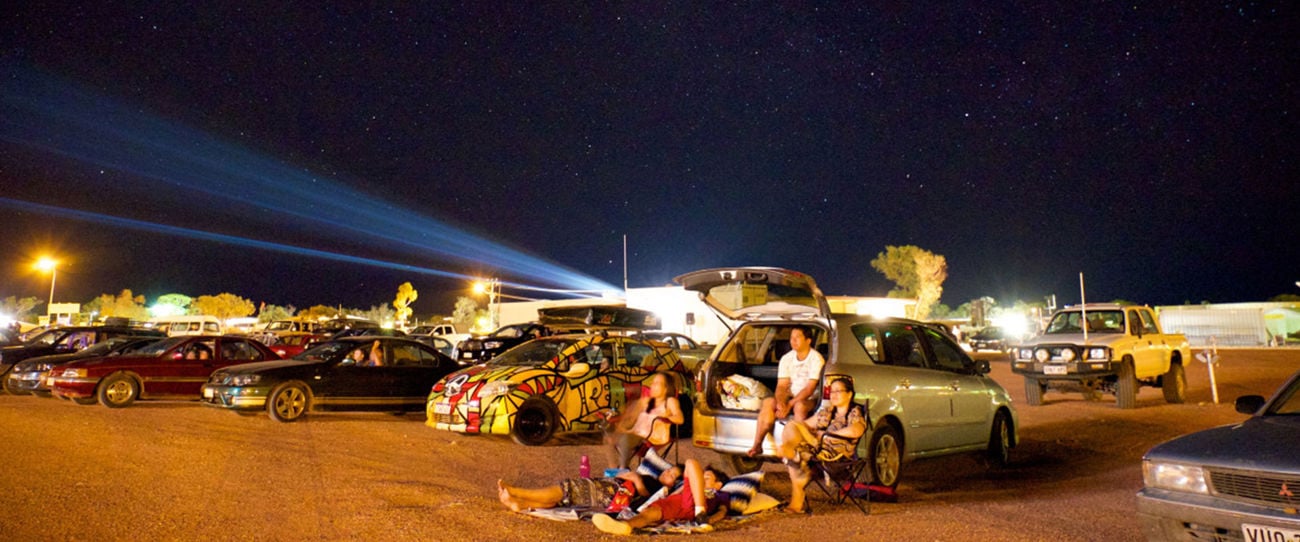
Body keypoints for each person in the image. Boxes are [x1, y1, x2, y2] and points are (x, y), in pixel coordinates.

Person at [778, 376, 868, 514]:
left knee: (795, 455)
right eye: (832, 392)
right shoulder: (827, 412)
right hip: (816, 449)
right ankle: (794, 452)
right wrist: (809, 433)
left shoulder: (854, 413)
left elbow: (857, 430)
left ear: (849, 394)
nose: (834, 395)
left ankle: (797, 498)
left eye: (838, 391)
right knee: (791, 426)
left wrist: (826, 435)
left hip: (836, 455)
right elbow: (804, 425)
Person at [591, 459, 730, 535]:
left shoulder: (720, 494)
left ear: (718, 484)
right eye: (700, 477)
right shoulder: (687, 487)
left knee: (692, 463)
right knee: (650, 512)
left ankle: (701, 515)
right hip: (679, 502)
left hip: (698, 505)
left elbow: (722, 511)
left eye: (706, 478)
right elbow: (675, 494)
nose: (701, 479)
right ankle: (625, 526)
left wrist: (709, 521)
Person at [748, 326, 825, 457]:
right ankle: (757, 444)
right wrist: (781, 403)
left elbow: (809, 389)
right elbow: (782, 386)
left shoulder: (816, 359)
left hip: (810, 398)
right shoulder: (786, 358)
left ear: (808, 341)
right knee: (768, 402)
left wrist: (789, 405)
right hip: (790, 396)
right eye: (791, 338)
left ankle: (797, 447)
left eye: (797, 337)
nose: (793, 341)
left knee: (799, 406)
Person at [496, 463, 682, 513]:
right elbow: (620, 475)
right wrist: (632, 476)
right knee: (565, 496)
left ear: (674, 483)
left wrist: (636, 480)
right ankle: (520, 504)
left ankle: (517, 492)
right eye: (668, 470)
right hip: (611, 485)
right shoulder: (651, 478)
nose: (667, 473)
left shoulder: (662, 491)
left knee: (568, 489)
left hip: (612, 494)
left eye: (672, 475)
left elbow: (646, 499)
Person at [605, 372, 685, 469]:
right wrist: (615, 419)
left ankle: (622, 468)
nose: (652, 385)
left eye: (656, 383)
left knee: (624, 439)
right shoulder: (646, 401)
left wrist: (663, 417)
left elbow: (680, 419)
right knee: (609, 437)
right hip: (637, 433)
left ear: (666, 388)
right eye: (652, 383)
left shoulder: (670, 401)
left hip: (653, 437)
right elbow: (630, 416)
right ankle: (614, 468)